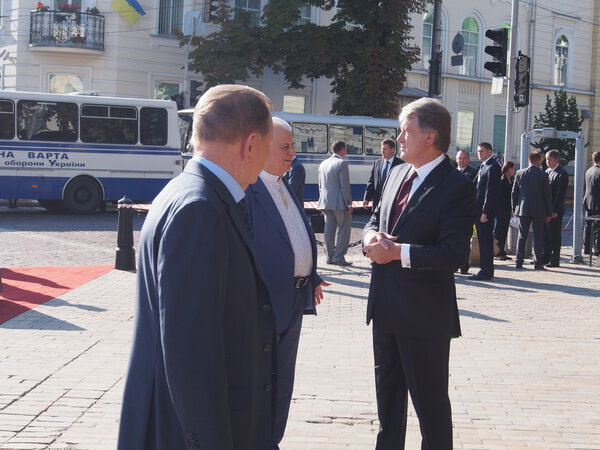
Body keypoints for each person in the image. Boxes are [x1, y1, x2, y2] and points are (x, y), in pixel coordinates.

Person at [117, 85, 276, 450]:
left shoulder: (188, 192)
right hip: (191, 431)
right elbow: (190, 353)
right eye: (268, 145)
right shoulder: (200, 208)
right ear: (250, 144)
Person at [362, 97, 475, 449]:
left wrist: (397, 252)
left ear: (430, 136)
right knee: (388, 408)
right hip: (385, 309)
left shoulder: (456, 185)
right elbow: (373, 220)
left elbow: (454, 253)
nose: (399, 137)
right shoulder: (396, 172)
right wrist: (370, 237)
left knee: (431, 409)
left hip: (424, 316)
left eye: (406, 130)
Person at [246, 117, 329, 449]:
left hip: (293, 303)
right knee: (262, 382)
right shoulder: (248, 188)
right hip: (266, 305)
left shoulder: (282, 183)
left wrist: (312, 276)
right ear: (263, 147)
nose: (293, 153)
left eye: (292, 145)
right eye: (285, 146)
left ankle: (272, 440)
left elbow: (294, 236)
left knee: (283, 382)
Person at [512, 151, 553, 270]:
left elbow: (514, 193)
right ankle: (538, 262)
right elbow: (547, 195)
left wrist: (514, 208)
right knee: (538, 236)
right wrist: (549, 212)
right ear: (539, 160)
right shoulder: (543, 175)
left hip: (523, 209)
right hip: (539, 210)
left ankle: (519, 261)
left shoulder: (519, 173)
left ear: (529, 160)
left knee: (522, 236)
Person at [468, 142, 501, 281]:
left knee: (486, 241)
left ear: (489, 152)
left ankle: (486, 270)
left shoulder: (493, 167)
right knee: (482, 240)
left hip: (484, 212)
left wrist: (485, 212)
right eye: (478, 151)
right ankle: (485, 268)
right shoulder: (483, 166)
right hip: (477, 209)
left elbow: (490, 192)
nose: (479, 153)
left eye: (481, 151)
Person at [317, 140, 353, 265]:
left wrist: (321, 202)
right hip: (339, 202)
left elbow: (320, 185)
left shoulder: (323, 163)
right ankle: (339, 257)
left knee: (329, 230)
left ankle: (329, 257)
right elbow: (345, 186)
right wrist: (349, 203)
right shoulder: (342, 163)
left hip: (326, 201)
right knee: (344, 229)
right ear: (342, 150)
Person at [543, 149, 569, 266]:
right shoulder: (547, 171)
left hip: (555, 211)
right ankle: (545, 257)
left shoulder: (561, 173)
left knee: (554, 236)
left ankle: (554, 259)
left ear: (557, 160)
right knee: (546, 236)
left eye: (550, 160)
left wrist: (553, 211)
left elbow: (559, 194)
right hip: (545, 210)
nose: (547, 162)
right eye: (547, 159)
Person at [363, 138, 403, 210]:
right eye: (382, 149)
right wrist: (366, 198)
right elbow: (371, 181)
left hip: (393, 202)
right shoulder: (377, 163)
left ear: (392, 150)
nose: (382, 151)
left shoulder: (401, 164)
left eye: (385, 149)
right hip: (378, 202)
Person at [455, 149, 478, 274]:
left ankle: (464, 266)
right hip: (452, 213)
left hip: (466, 213)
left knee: (464, 240)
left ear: (468, 159)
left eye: (464, 158)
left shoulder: (474, 173)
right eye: (460, 158)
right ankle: (454, 265)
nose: (462, 160)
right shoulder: (452, 173)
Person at [494, 161, 516, 260]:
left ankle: (502, 251)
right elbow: (500, 196)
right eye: (513, 169)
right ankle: (497, 252)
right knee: (499, 231)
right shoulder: (503, 180)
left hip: (507, 209)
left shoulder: (510, 179)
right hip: (501, 210)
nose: (514, 171)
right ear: (509, 169)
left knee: (504, 231)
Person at [583, 151, 600, 255]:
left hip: (588, 202)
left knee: (588, 226)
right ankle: (597, 249)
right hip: (598, 203)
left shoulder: (589, 170)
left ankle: (586, 248)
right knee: (598, 227)